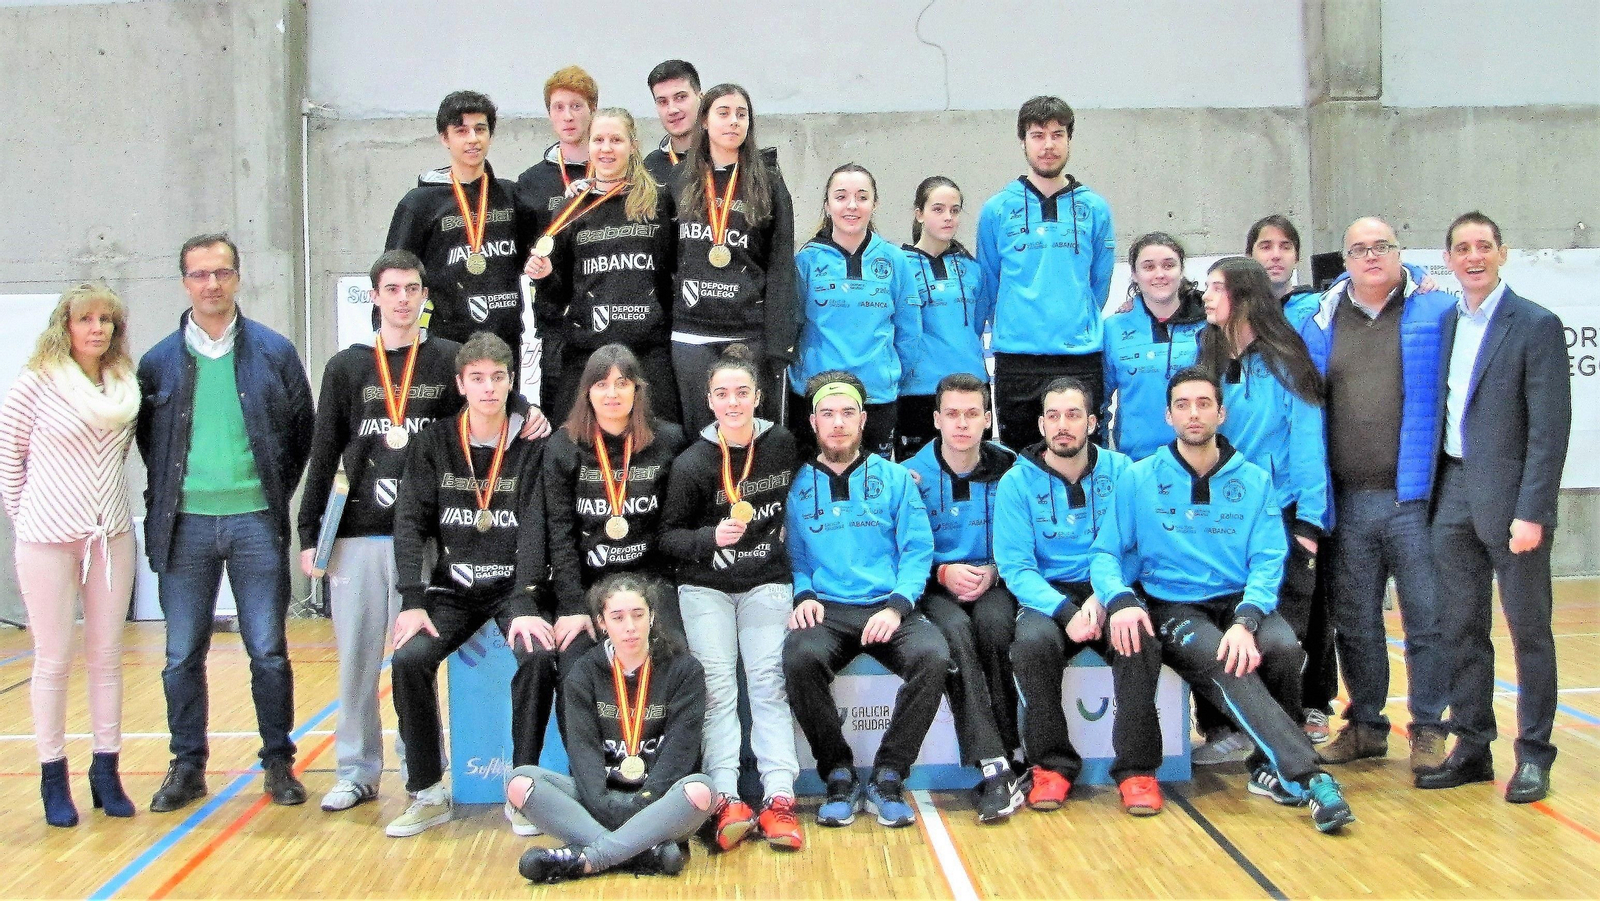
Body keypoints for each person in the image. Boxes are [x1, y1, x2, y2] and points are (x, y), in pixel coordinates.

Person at [296, 251, 548, 816]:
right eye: (392, 288)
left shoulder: (447, 358)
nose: (403, 298)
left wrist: (529, 410)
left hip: (431, 537)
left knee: (413, 653)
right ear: (376, 297)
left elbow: (493, 388)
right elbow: (324, 453)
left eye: (413, 287)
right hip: (360, 531)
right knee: (360, 660)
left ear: (425, 296)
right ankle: (357, 770)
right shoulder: (345, 368)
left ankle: (418, 773)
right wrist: (310, 530)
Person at [1091, 367, 1355, 834]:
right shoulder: (1139, 478)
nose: (1194, 413)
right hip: (1175, 606)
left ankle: (1266, 766)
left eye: (1203, 404)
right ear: (1168, 415)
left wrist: (1247, 618)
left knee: (1284, 648)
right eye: (1183, 405)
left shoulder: (1252, 479)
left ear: (1221, 412)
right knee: (1223, 660)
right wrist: (1118, 599)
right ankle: (1310, 777)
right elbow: (1106, 554)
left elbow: (1269, 557)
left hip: (1238, 601)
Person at [136, 234, 314, 812]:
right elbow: (151, 445)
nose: (211, 283)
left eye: (221, 272)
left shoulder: (274, 351)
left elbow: (300, 433)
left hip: (255, 523)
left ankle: (278, 763)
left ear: (237, 277)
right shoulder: (158, 361)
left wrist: (269, 495)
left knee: (267, 649)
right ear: (184, 281)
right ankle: (187, 767)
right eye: (199, 274)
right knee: (180, 654)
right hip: (183, 527)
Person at [1418, 212, 1571, 803]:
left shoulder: (1535, 324)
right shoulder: (1449, 321)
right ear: (1449, 259)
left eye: (1484, 246)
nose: (1473, 256)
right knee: (1461, 628)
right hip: (1452, 491)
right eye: (1462, 248)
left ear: (1502, 254)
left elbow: (1549, 431)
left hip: (1513, 503)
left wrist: (1532, 511)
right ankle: (1473, 746)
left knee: (1529, 631)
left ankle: (1534, 755)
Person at [1299, 217, 1455, 774]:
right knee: (1355, 620)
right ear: (1344, 261)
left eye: (1381, 247)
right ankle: (1365, 725)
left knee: (1426, 620)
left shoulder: (1438, 310)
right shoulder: (1317, 320)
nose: (1371, 257)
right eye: (1359, 250)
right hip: (1347, 501)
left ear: (1399, 254)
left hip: (1412, 500)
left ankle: (1431, 729)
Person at [384, 332, 556, 838]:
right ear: (460, 384)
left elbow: (538, 527)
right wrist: (413, 601)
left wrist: (526, 600)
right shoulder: (433, 443)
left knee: (539, 657)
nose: (487, 389)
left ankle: (522, 791)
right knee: (409, 659)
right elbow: (410, 523)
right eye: (477, 379)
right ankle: (427, 790)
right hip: (452, 589)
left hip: (513, 589)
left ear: (510, 383)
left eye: (497, 378)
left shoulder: (533, 446)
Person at [782, 370, 949, 829]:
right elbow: (795, 555)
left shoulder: (896, 479)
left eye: (847, 413)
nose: (838, 423)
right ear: (813, 422)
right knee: (799, 658)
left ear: (863, 419)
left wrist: (896, 606)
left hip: (887, 605)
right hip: (828, 608)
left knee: (933, 656)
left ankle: (889, 775)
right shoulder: (796, 485)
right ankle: (837, 773)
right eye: (828, 414)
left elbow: (918, 550)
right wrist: (804, 593)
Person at [0, 283, 140, 827]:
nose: (97, 328)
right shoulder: (32, 387)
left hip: (110, 537)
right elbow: (11, 467)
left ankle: (106, 770)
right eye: (86, 319)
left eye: (106, 319)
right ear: (66, 325)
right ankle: (52, 775)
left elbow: (119, 458)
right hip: (46, 540)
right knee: (53, 659)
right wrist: (34, 522)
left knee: (107, 658)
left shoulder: (124, 388)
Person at [993, 376, 1164, 816]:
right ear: (1041, 424)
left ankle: (1137, 771)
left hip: (1109, 588)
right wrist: (1065, 610)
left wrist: (1106, 596)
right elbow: (1016, 567)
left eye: (1073, 415)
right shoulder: (1016, 482)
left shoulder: (1124, 471)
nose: (1062, 425)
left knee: (1138, 640)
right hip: (1048, 597)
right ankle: (1051, 767)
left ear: (1092, 422)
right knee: (1030, 645)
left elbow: (1139, 547)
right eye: (1053, 416)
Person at [659, 344, 803, 850]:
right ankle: (726, 799)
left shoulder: (783, 444)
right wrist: (707, 541)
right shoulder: (693, 462)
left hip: (766, 581)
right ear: (710, 401)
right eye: (723, 394)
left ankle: (780, 796)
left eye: (743, 392)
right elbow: (668, 537)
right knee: (719, 688)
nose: (733, 402)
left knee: (767, 683)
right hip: (706, 588)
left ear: (759, 397)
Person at [1195, 257, 1329, 756]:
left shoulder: (1288, 362)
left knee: (1279, 636)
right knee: (1217, 620)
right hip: (1225, 514)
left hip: (1284, 515)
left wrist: (1311, 522)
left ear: (1245, 298)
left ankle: (1282, 739)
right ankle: (1221, 729)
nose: (1206, 297)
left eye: (1216, 288)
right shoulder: (1206, 352)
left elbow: (1308, 444)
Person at [508, 573, 713, 883]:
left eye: (638, 614)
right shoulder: (583, 673)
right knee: (520, 782)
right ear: (602, 623)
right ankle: (646, 852)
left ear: (652, 616)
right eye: (617, 617)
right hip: (598, 799)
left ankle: (590, 858)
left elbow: (680, 754)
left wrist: (643, 803)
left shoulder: (685, 670)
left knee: (701, 790)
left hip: (659, 803)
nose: (629, 626)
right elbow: (583, 752)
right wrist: (604, 805)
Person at [902, 373, 1024, 822]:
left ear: (988, 419)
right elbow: (905, 552)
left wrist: (996, 570)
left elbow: (1024, 542)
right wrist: (942, 570)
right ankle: (992, 763)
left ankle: (1014, 749)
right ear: (936, 419)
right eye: (952, 414)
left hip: (994, 580)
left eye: (973, 414)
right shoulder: (910, 475)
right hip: (937, 587)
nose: (962, 424)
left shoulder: (1011, 467)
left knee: (995, 626)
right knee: (954, 632)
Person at [544, 344, 687, 686]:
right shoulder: (562, 446)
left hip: (651, 581)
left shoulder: (668, 440)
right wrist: (574, 604)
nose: (612, 394)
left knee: (676, 657)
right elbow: (559, 533)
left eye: (622, 383)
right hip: (590, 583)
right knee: (574, 669)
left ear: (637, 390)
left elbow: (676, 523)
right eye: (601, 385)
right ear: (587, 392)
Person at [977, 96, 1115, 450]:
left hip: (1080, 358)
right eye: (1038, 135)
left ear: (1070, 139)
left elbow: (1098, 284)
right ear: (1023, 141)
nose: (1048, 145)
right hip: (1016, 361)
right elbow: (989, 285)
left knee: (1083, 463)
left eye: (1057, 134)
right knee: (1020, 463)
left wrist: (1072, 318)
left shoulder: (1095, 208)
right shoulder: (996, 210)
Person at [527, 108, 679, 423]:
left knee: (661, 440)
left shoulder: (660, 202)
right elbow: (558, 295)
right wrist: (545, 276)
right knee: (571, 441)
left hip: (648, 350)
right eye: (598, 140)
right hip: (588, 348)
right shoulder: (571, 207)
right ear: (589, 145)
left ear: (633, 145)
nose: (606, 148)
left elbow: (671, 272)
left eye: (616, 140)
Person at [669, 83, 797, 435]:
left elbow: (781, 264)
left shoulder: (769, 182)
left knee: (748, 435)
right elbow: (667, 257)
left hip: (748, 332)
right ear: (705, 121)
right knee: (700, 437)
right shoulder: (679, 179)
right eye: (723, 113)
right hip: (692, 331)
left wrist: (778, 344)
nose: (733, 122)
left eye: (741, 114)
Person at [385, 91, 531, 369]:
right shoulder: (419, 203)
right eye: (461, 131)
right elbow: (393, 272)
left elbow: (531, 258)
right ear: (445, 138)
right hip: (443, 343)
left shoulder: (512, 197)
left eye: (480, 129)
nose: (472, 139)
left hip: (504, 342)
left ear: (490, 134)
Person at [787, 165, 920, 459]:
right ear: (827, 205)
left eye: (862, 197)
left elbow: (909, 332)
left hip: (876, 398)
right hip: (816, 398)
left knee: (873, 489)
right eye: (841, 196)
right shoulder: (806, 261)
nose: (852, 205)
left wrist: (890, 376)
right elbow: (792, 330)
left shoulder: (895, 260)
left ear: (875, 204)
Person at [516, 65, 598, 414]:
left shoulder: (616, 174)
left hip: (606, 313)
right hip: (556, 323)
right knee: (561, 418)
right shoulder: (532, 182)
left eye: (576, 106)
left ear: (593, 109)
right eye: (558, 107)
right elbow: (522, 252)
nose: (568, 116)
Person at [896, 177, 992, 459]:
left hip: (972, 388)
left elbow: (977, 323)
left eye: (955, 210)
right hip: (917, 392)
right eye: (938, 209)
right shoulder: (899, 265)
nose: (948, 217)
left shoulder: (972, 268)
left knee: (976, 476)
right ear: (919, 213)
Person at [1100, 232, 1206, 462]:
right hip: (1136, 463)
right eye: (1148, 267)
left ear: (1181, 270)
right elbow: (1099, 401)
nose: (1160, 274)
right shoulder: (1113, 329)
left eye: (1169, 265)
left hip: (1202, 461)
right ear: (1134, 275)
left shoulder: (1209, 324)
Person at [1247, 215, 1322, 331]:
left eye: (1286, 247)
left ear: (1297, 258)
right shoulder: (1232, 313)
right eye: (1266, 247)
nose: (1276, 255)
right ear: (1249, 257)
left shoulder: (1321, 308)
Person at [643, 60, 701, 185]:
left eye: (680, 97)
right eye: (663, 102)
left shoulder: (726, 158)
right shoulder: (650, 168)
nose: (672, 110)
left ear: (701, 98)